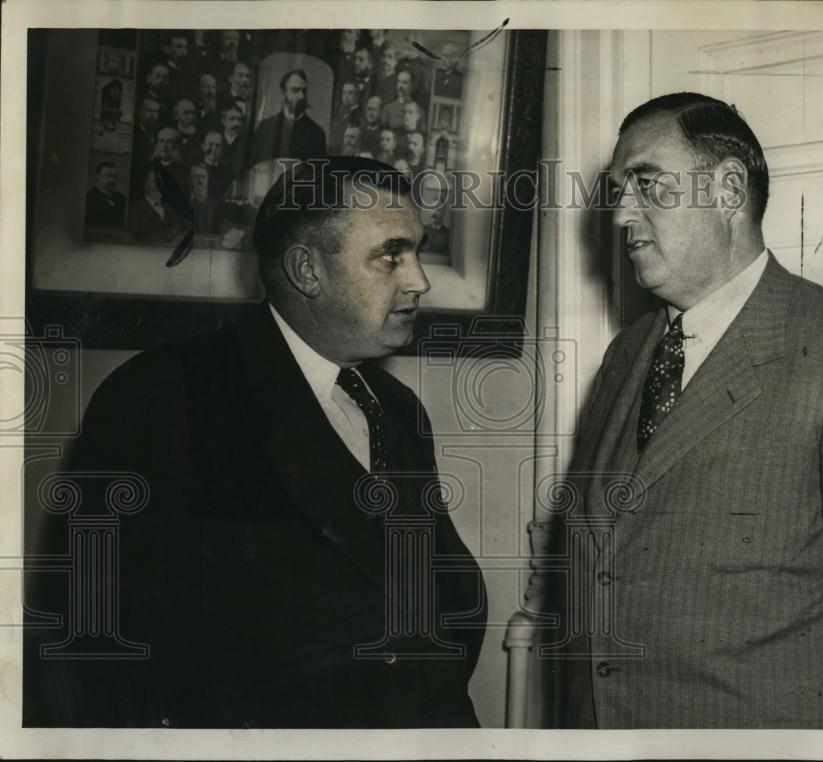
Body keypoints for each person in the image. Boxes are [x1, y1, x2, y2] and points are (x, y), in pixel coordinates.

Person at [23, 156, 487, 728]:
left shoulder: (395, 408)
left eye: (418, 252)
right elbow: (85, 644)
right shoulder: (163, 396)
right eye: (392, 254)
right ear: (306, 270)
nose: (420, 280)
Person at [559, 92, 823, 729]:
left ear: (727, 190)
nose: (621, 215)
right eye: (617, 190)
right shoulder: (627, 353)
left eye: (646, 184)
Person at [252, 69, 326, 163]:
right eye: (295, 90)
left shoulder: (317, 133)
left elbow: (318, 173)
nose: (302, 96)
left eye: (304, 91)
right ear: (283, 94)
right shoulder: (265, 128)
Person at [126, 167, 184, 242]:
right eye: (153, 181)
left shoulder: (171, 209)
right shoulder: (135, 209)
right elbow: (131, 240)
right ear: (145, 185)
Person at [84, 161, 127, 227]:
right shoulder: (88, 199)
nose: (112, 180)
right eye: (108, 176)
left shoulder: (122, 199)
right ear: (98, 176)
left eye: (115, 177)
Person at [329, 81, 360, 154]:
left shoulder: (359, 116)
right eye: (344, 92)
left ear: (357, 96)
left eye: (350, 93)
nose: (346, 96)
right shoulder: (338, 116)